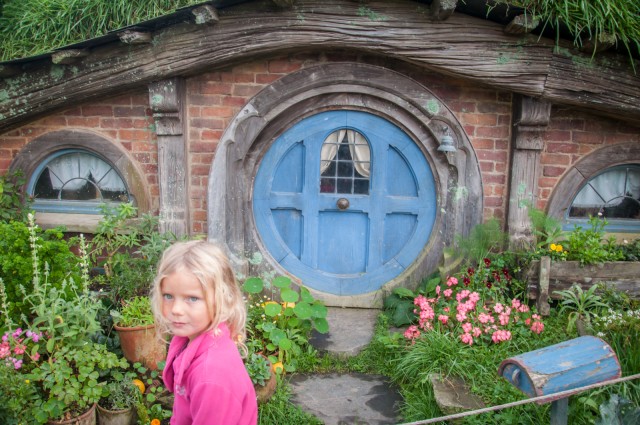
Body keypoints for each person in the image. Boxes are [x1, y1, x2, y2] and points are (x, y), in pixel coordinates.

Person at [150, 240, 258, 425]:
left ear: (222, 298)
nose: (176, 309)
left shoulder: (211, 378)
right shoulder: (191, 338)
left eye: (192, 298)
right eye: (168, 296)